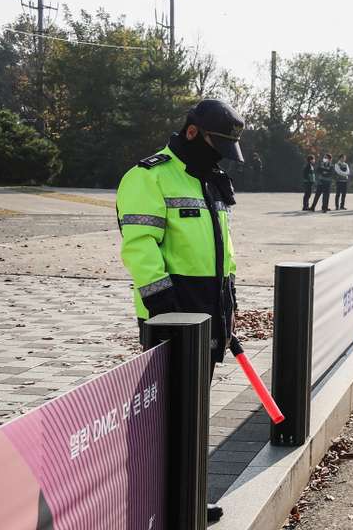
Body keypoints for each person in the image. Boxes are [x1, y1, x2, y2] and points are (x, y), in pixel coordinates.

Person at [115, 98, 245, 525]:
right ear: (192, 133)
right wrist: (165, 311)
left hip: (208, 315)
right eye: (216, 144)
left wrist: (229, 305)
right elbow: (139, 248)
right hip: (172, 319)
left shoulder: (210, 179)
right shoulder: (148, 177)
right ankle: (152, 501)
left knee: (193, 411)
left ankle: (187, 496)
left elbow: (221, 252)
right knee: (166, 416)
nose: (220, 155)